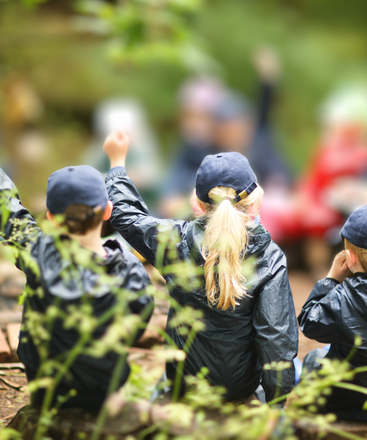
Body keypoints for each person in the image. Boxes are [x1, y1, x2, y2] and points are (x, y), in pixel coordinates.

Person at [104, 130, 298, 402]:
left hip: (186, 381)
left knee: (161, 380)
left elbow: (126, 216)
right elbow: (275, 337)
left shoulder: (174, 241)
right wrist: (276, 401)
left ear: (198, 203)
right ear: (255, 199)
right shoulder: (269, 256)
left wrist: (117, 164)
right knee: (299, 366)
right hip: (239, 387)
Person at [0, 133, 154, 410]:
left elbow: (7, 209)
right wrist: (117, 161)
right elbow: (136, 325)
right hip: (105, 389)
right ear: (107, 212)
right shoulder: (130, 270)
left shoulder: (37, 253)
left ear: (51, 218)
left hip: (47, 390)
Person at [298, 205, 367, 420]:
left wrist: (330, 279)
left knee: (313, 358)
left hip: (348, 402)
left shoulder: (341, 297)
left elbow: (309, 323)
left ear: (349, 257)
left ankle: (306, 419)